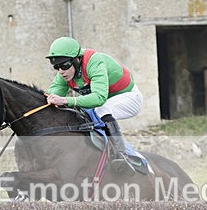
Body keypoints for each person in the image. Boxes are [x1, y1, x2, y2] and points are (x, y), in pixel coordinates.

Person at [44, 36, 143, 172]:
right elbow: (51, 96)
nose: (61, 71)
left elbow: (99, 98)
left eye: (65, 65)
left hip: (130, 97)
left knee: (101, 109)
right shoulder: (64, 74)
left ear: (77, 59)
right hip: (104, 103)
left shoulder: (94, 62)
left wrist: (67, 100)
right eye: (57, 67)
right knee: (82, 114)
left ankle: (122, 156)